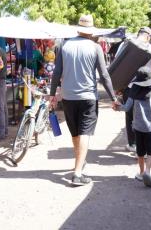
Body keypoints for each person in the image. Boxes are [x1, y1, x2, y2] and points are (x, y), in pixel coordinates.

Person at [49, 14, 117, 186]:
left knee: (75, 133)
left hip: (68, 97)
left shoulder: (64, 46)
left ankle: (78, 163)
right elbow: (104, 75)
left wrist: (52, 94)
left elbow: (57, 73)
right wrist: (113, 97)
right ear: (91, 30)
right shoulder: (95, 48)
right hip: (88, 97)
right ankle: (77, 174)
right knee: (85, 132)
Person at [114, 66, 151, 188]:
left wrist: (117, 107)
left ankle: (141, 173)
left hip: (137, 128)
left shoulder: (133, 94)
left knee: (140, 152)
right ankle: (148, 171)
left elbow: (126, 108)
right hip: (150, 128)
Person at [114, 27, 151, 153]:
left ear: (138, 34)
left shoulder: (126, 45)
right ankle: (144, 144)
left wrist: (117, 87)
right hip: (146, 87)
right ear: (149, 37)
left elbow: (117, 64)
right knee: (146, 114)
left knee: (129, 115)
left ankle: (132, 144)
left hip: (128, 86)